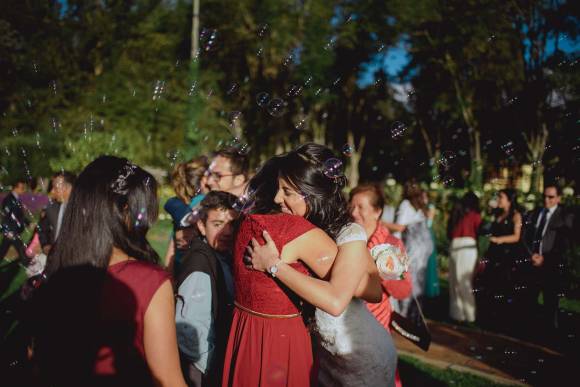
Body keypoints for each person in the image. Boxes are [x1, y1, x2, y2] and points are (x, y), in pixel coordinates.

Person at [27, 156, 186, 387]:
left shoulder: (57, 273)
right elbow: (169, 381)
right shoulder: (149, 283)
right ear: (123, 210)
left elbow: (37, 363)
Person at [247, 144, 397, 387]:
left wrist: (274, 266)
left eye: (287, 191)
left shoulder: (349, 233)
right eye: (278, 189)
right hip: (326, 359)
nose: (277, 198)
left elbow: (342, 300)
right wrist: (340, 274)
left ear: (313, 193)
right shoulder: (301, 229)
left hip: (361, 357)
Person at [350, 183, 412, 387]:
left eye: (360, 207)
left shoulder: (392, 244)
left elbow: (404, 291)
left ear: (377, 211)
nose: (353, 212)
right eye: (351, 206)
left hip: (375, 321)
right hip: (344, 319)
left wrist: (382, 269)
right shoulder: (346, 237)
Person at [175, 191, 238, 386]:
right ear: (202, 226)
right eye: (217, 224)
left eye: (232, 224)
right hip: (202, 370)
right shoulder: (200, 262)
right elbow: (188, 326)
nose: (226, 232)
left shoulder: (223, 256)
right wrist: (212, 367)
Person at [523, 184, 574, 332]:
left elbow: (564, 244)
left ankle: (550, 332)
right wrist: (531, 255)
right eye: (544, 196)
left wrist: (546, 258)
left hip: (551, 265)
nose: (546, 200)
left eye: (550, 197)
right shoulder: (535, 213)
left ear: (558, 198)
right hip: (532, 262)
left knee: (551, 301)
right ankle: (529, 330)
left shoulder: (564, 216)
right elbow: (526, 236)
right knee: (530, 298)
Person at [478, 188, 529, 333]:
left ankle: (504, 322)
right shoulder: (498, 214)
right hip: (494, 255)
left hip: (506, 257)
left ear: (509, 200)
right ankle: (490, 319)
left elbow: (516, 236)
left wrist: (500, 240)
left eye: (501, 197)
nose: (498, 199)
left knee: (503, 287)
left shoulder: (516, 215)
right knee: (490, 286)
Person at [392, 182, 434, 317]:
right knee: (417, 281)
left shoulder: (405, 204)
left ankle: (403, 314)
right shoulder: (419, 207)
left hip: (407, 247)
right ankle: (415, 313)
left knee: (405, 279)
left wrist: (379, 223)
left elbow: (399, 227)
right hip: (421, 249)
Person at [164, 156, 209, 273]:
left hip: (180, 267)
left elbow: (172, 246)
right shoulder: (202, 201)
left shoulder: (184, 206)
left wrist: (169, 275)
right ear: (204, 180)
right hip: (195, 269)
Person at [447, 191, 482, 323]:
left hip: (455, 245)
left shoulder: (457, 213)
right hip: (468, 246)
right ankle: (469, 315)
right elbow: (479, 233)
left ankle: (458, 314)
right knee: (464, 282)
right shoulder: (475, 215)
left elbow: (449, 231)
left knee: (455, 282)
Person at [37, 171, 76, 254]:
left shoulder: (84, 210)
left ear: (68, 188)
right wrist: (45, 245)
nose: (52, 192)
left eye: (55, 188)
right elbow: (42, 229)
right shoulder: (51, 208)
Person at [0, 179, 30, 263]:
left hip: (12, 230)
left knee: (3, 250)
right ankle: (27, 263)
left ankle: (26, 261)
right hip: (11, 231)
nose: (23, 189)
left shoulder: (16, 198)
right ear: (15, 188)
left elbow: (18, 215)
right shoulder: (9, 199)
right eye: (22, 187)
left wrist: (28, 223)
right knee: (20, 249)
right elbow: (6, 216)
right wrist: (9, 231)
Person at [423, 191, 440, 298]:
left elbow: (429, 220)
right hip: (423, 235)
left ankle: (430, 290)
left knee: (429, 262)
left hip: (427, 234)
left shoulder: (430, 207)